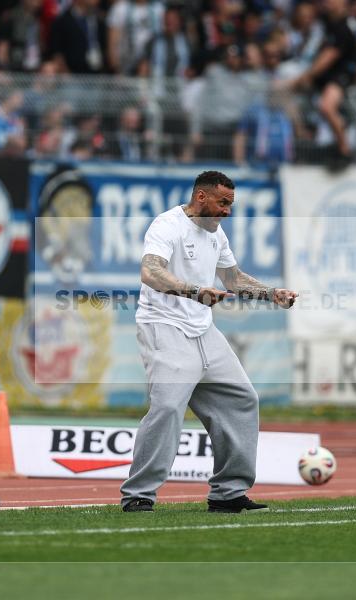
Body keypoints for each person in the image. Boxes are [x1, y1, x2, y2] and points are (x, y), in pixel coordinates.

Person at [121, 171, 298, 513]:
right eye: (223, 203)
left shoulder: (216, 234)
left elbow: (233, 278)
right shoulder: (167, 225)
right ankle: (139, 494)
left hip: (203, 330)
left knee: (242, 399)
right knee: (169, 407)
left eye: (231, 204)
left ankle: (228, 493)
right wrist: (194, 291)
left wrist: (271, 293)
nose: (227, 211)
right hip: (164, 326)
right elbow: (150, 272)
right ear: (201, 198)